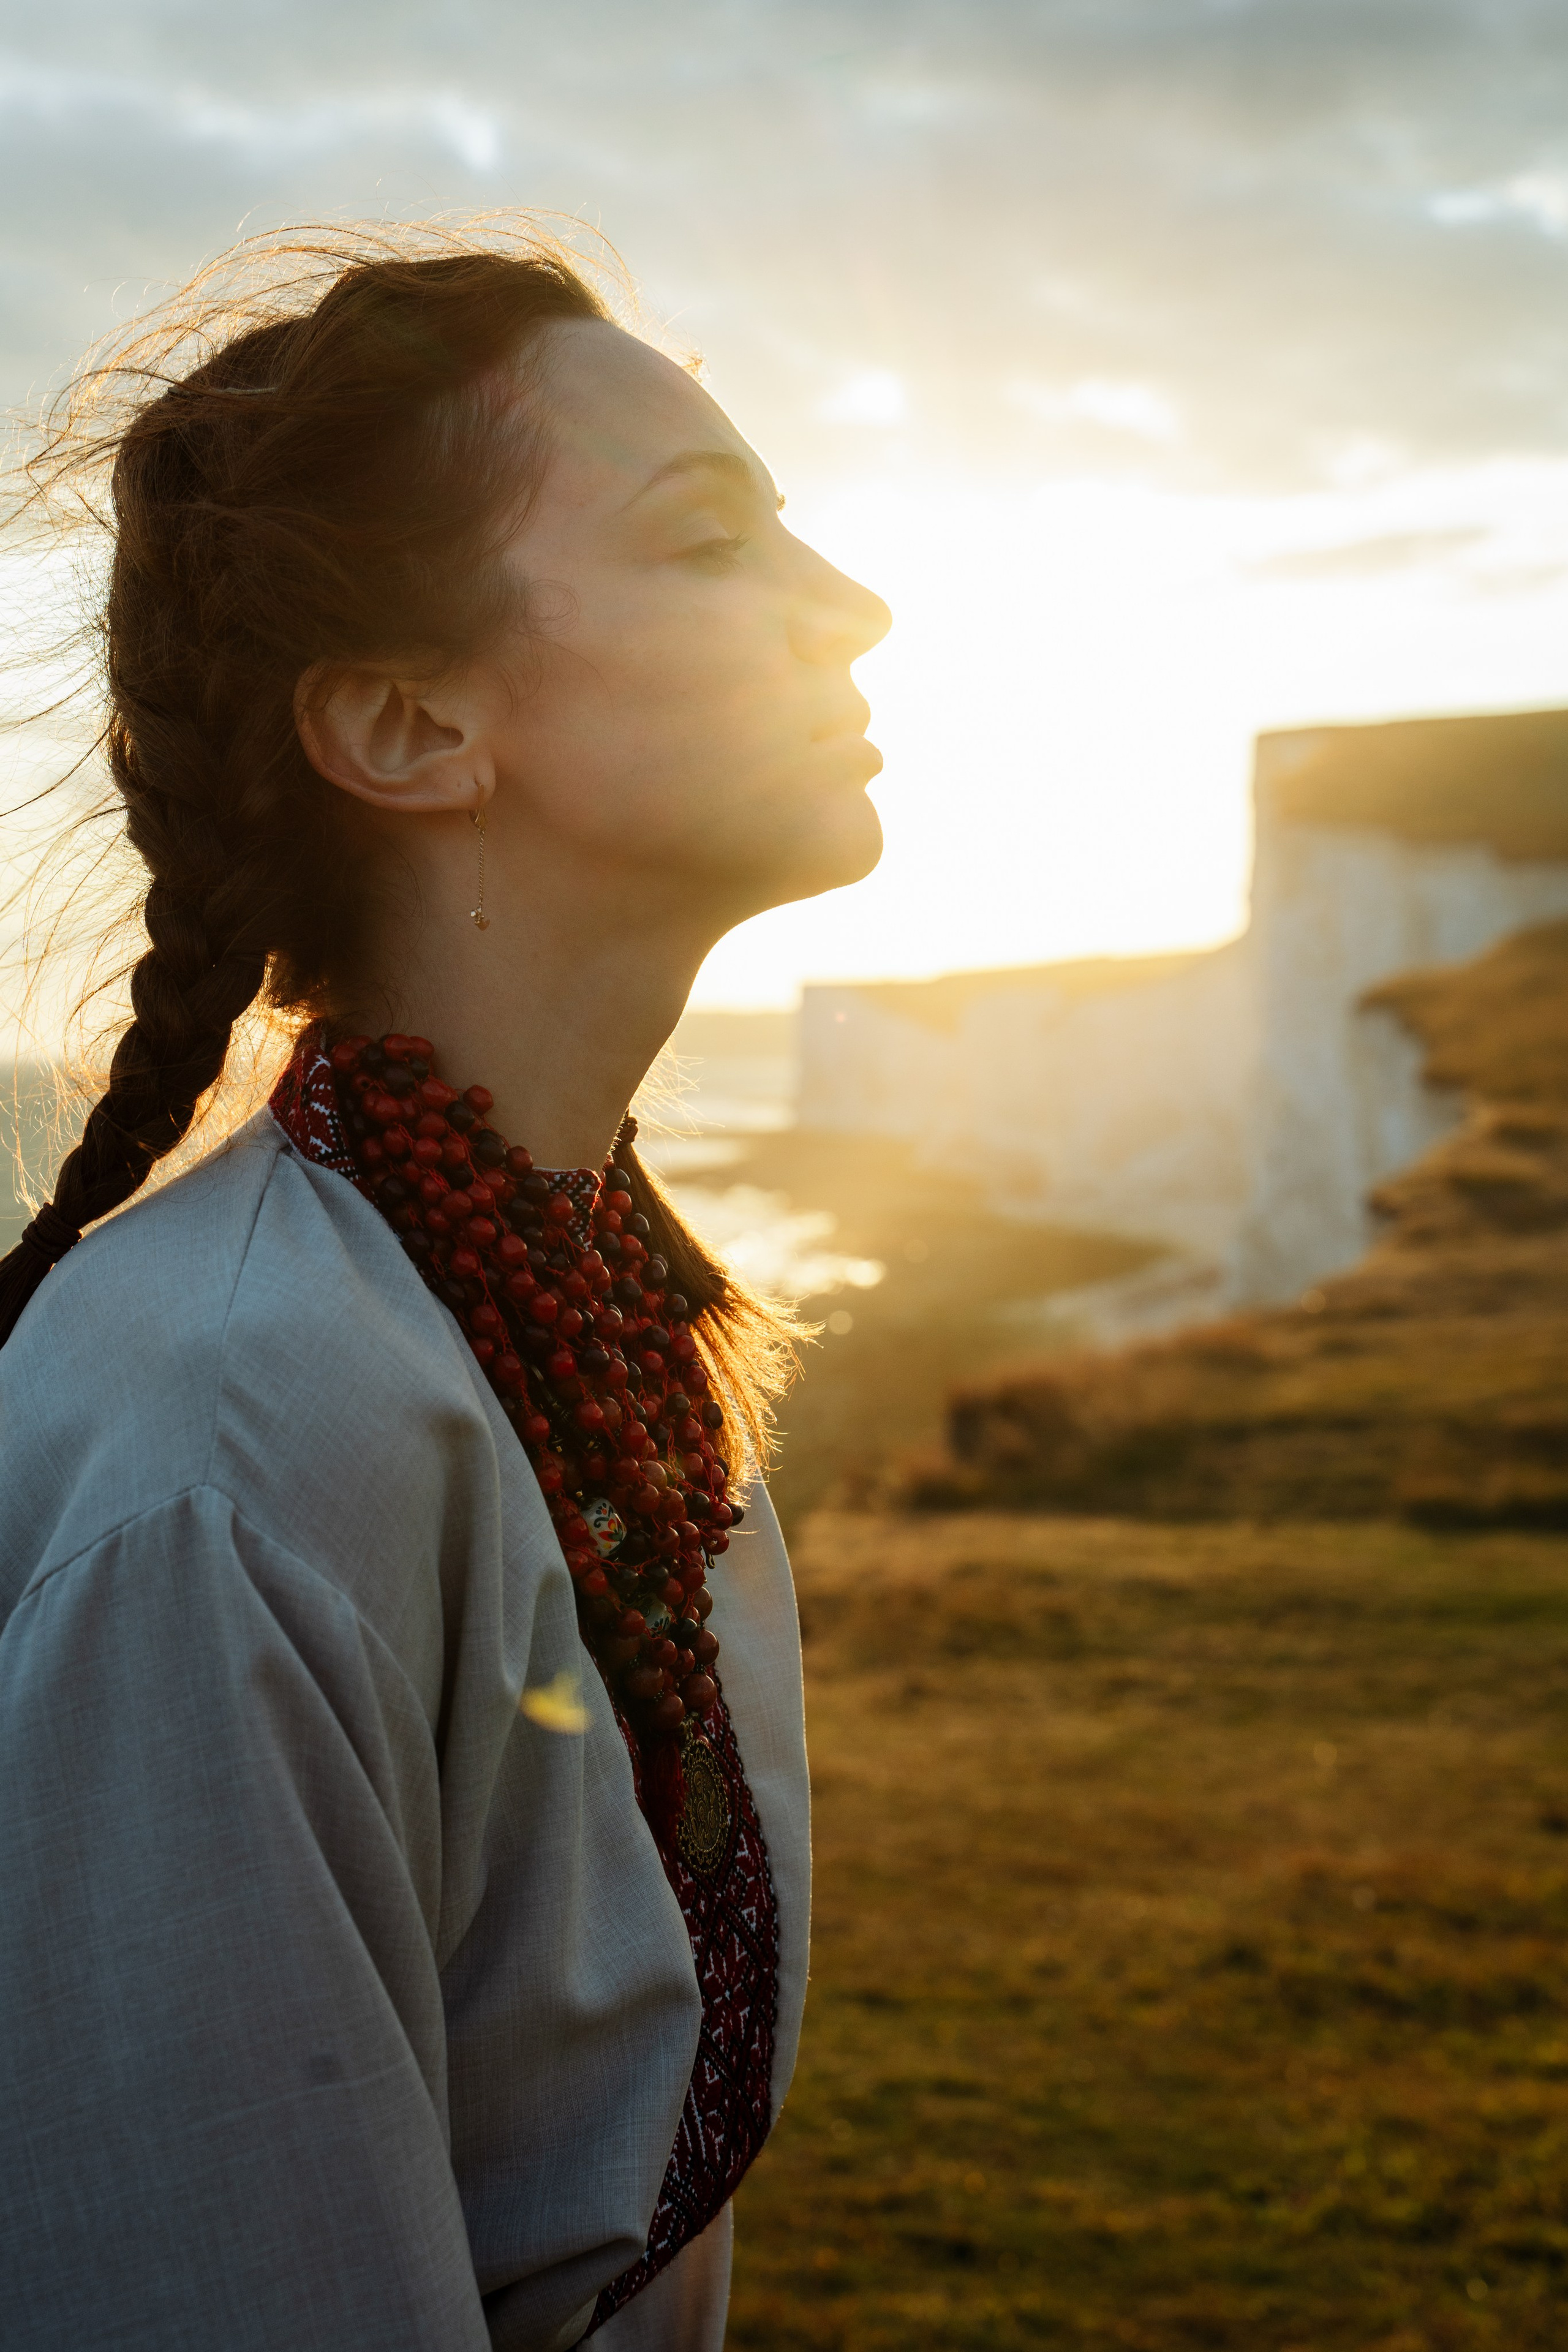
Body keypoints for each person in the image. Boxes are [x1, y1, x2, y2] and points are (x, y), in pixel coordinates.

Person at [0, 225, 889, 2351]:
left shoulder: (610, 1345)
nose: (856, 604)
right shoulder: (230, 1447)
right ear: (409, 724)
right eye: (711, 539)